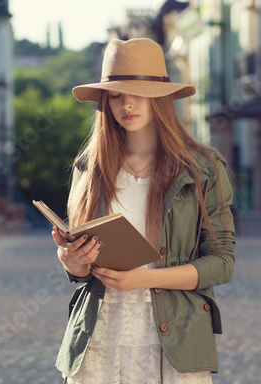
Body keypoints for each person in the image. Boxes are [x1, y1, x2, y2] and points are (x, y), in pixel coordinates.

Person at [51, 38, 236, 384]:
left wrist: (143, 279)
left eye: (139, 92)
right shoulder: (89, 167)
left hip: (176, 340)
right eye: (117, 94)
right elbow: (82, 272)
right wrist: (72, 261)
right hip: (99, 337)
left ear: (161, 98)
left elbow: (223, 262)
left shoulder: (204, 167)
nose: (127, 103)